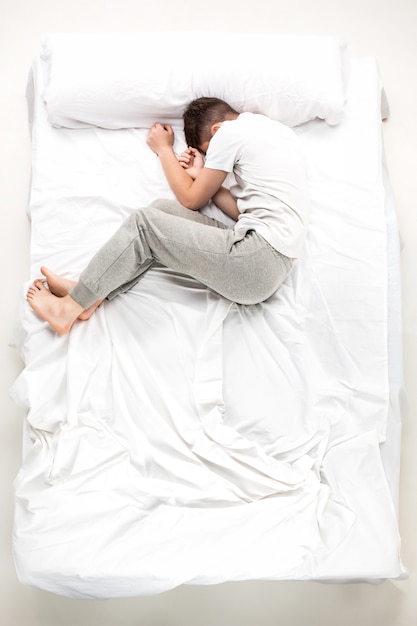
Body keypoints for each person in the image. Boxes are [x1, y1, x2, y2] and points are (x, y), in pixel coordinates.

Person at [26, 97, 309, 334]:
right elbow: (241, 213)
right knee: (161, 211)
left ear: (217, 128)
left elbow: (190, 198)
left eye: (209, 154)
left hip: (256, 260)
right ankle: (91, 296)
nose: (212, 161)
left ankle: (67, 309)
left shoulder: (229, 133)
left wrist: (164, 150)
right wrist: (206, 179)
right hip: (267, 261)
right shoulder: (277, 133)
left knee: (144, 224)